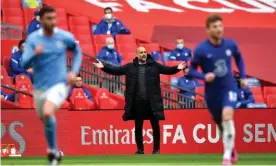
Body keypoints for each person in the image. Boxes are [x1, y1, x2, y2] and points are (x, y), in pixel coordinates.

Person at [93, 46, 185, 154]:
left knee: (155, 126)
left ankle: (156, 150)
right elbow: (116, 71)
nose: (144, 54)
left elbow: (167, 70)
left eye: (145, 52)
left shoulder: (154, 66)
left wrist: (177, 68)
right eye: (141, 52)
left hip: (152, 101)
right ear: (137, 54)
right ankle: (140, 150)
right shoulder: (130, 67)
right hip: (138, 102)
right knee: (138, 126)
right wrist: (103, 67)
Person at [21, 6, 82, 165]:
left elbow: (77, 51)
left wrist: (74, 71)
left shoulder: (64, 36)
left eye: (54, 18)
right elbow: (23, 62)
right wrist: (34, 54)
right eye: (48, 18)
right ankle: (54, 150)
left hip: (59, 84)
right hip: (40, 86)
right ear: (40, 20)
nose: (52, 21)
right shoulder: (33, 39)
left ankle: (52, 155)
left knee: (48, 113)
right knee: (45, 119)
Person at [187, 14, 247, 166]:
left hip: (229, 87)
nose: (219, 29)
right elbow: (191, 70)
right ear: (208, 30)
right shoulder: (201, 49)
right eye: (215, 27)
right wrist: (203, 75)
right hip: (212, 92)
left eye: (220, 26)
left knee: (227, 116)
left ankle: (226, 157)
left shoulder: (230, 45)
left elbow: (239, 58)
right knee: (220, 123)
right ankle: (231, 148)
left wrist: (244, 76)